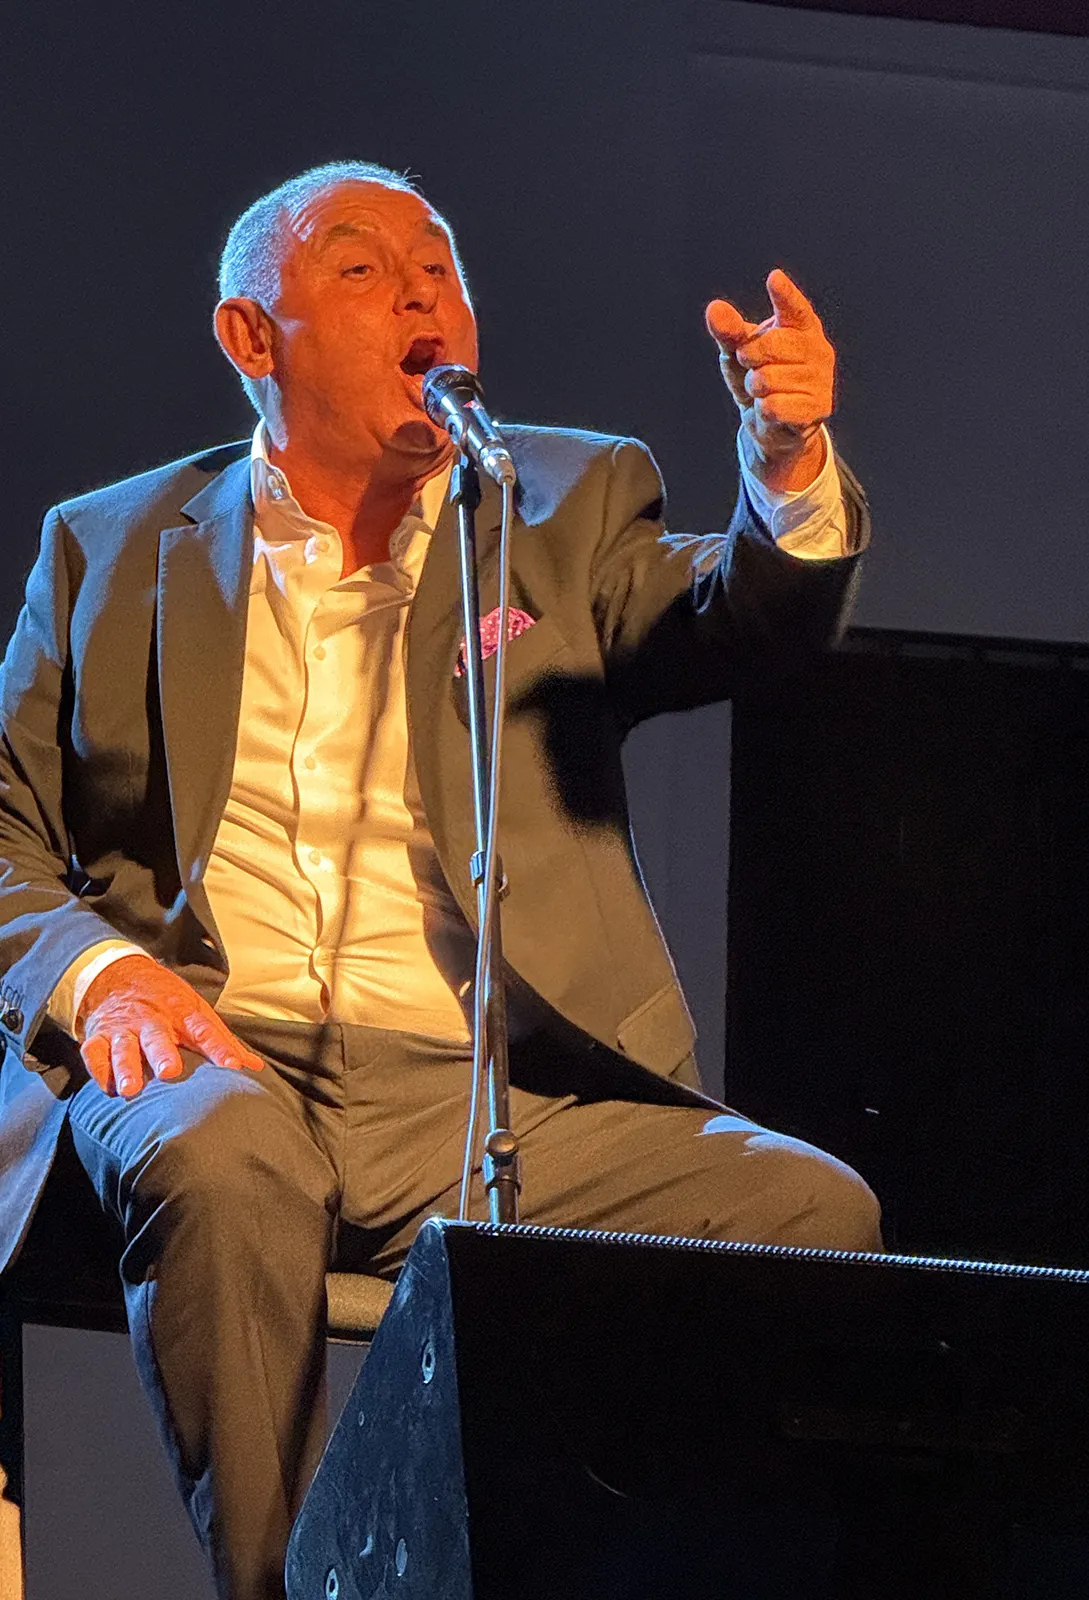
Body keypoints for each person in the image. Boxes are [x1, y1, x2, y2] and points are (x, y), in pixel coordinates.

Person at [0, 160, 880, 1600]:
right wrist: (105, 975)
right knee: (224, 1158)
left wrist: (786, 465)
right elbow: (2, 829)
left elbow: (733, 620)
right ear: (249, 339)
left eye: (442, 265)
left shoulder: (556, 500)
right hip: (214, 1053)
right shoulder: (107, 547)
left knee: (815, 1212)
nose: (424, 290)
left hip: (485, 1091)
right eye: (361, 267)